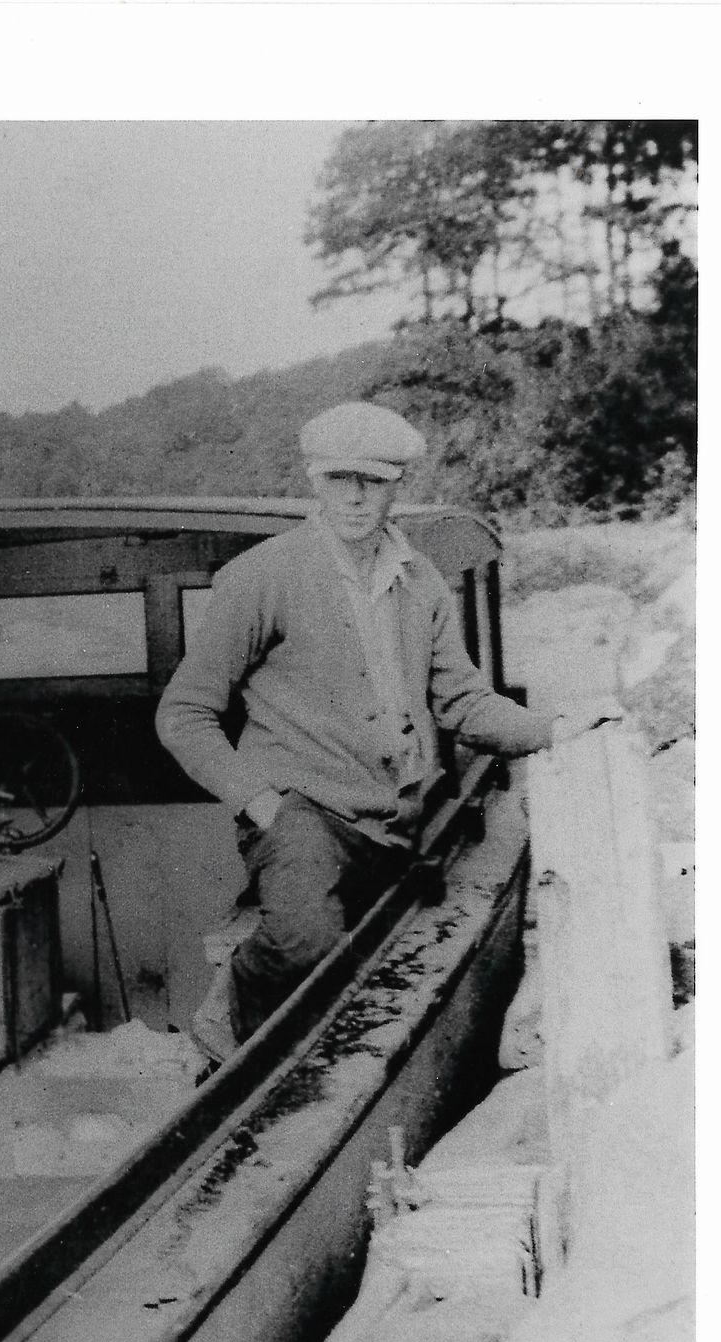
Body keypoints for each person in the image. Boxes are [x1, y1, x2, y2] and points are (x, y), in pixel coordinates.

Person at [155, 401, 618, 1058]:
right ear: (314, 481)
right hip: (301, 816)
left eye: (372, 481)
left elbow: (464, 705)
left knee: (358, 964)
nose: (354, 497)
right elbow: (183, 715)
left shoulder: (420, 581)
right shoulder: (262, 577)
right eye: (338, 478)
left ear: (397, 485)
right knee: (306, 940)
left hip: (393, 824)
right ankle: (230, 1017)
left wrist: (558, 728)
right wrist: (264, 806)